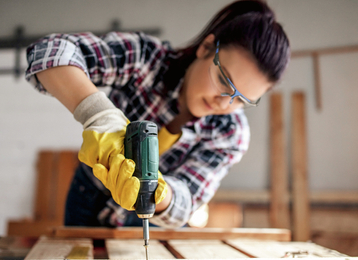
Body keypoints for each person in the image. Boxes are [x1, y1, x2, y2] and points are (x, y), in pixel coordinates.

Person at [25, 0, 290, 228]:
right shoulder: (145, 59)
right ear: (206, 48)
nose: (224, 103)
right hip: (88, 196)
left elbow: (187, 199)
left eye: (241, 99)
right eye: (223, 80)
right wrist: (100, 116)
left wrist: (154, 193)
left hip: (152, 222)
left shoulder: (232, 134)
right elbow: (51, 51)